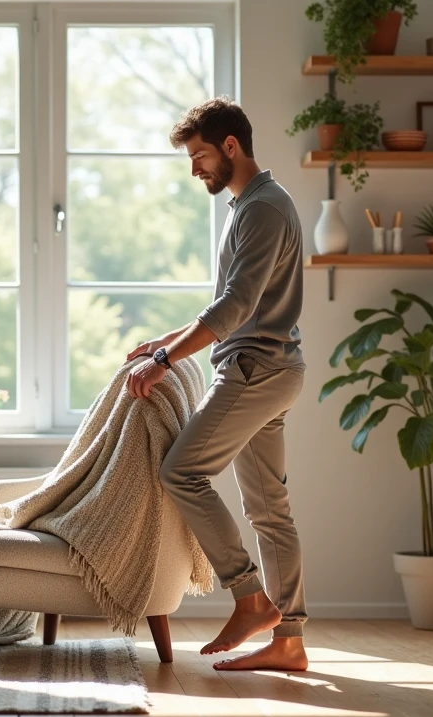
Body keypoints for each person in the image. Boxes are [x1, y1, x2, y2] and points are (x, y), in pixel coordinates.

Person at [125, 96, 308, 672]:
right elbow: (227, 305)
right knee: (270, 512)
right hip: (270, 365)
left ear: (231, 146)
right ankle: (290, 642)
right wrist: (163, 342)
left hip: (256, 368)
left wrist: (163, 360)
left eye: (200, 155)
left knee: (182, 471)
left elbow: (236, 307)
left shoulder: (263, 209)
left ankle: (250, 597)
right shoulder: (251, 205)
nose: (195, 168)